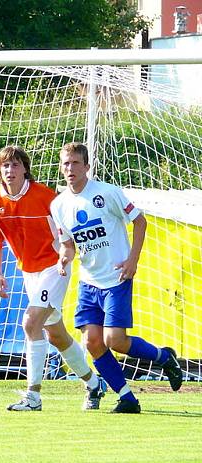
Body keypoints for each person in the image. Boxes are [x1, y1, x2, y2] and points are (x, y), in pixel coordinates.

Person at [50, 142, 183, 414]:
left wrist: (133, 259)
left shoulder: (107, 193)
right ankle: (127, 399)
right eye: (65, 163)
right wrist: (63, 259)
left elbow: (140, 221)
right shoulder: (58, 205)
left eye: (75, 163)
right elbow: (68, 245)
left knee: (115, 341)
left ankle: (164, 357)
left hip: (116, 279)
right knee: (92, 342)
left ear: (87, 167)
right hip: (88, 282)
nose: (70, 168)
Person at [0, 145, 105, 411]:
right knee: (56, 336)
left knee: (30, 322)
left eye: (15, 165)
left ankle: (33, 396)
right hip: (29, 272)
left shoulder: (45, 197)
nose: (10, 170)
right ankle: (94, 384)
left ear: (25, 169)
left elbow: (67, 231)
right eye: (5, 166)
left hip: (54, 268)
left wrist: (67, 256)